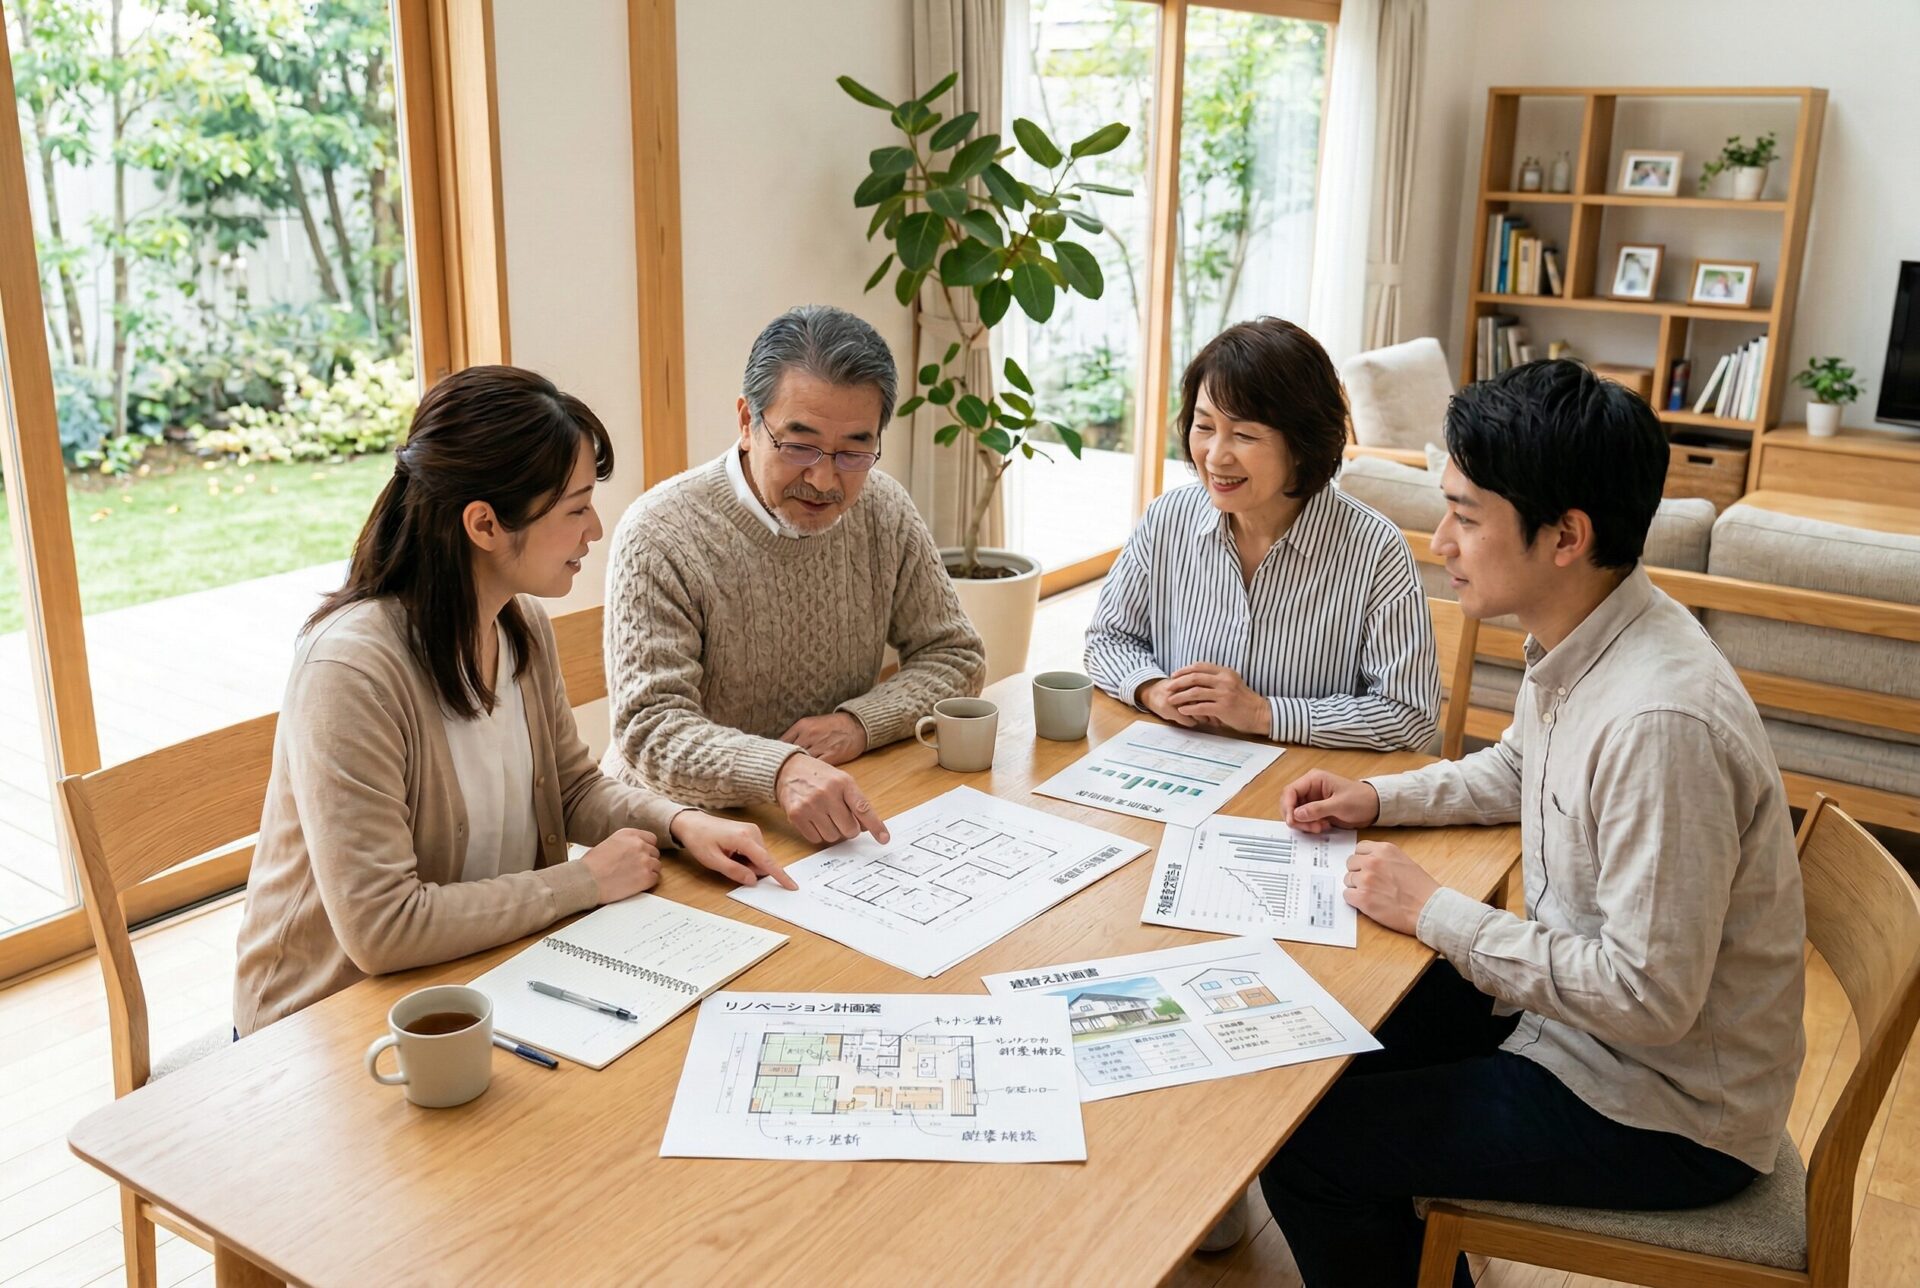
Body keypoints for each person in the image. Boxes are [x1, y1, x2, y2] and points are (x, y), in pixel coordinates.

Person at [1257, 360, 1805, 1285]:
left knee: (1311, 1153)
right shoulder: (1592, 629)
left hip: (1662, 1110)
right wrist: (1380, 797)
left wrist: (1435, 911)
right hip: (1576, 1029)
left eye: (1468, 517)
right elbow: (1519, 767)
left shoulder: (1658, 722)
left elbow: (1649, 999)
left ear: (1566, 535)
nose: (1441, 542)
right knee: (1320, 1045)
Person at [233, 366, 794, 1036]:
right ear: (484, 524)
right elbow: (382, 929)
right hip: (326, 1025)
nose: (595, 530)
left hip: (488, 977)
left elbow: (571, 786)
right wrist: (585, 882)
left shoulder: (516, 622)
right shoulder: (351, 672)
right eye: (575, 507)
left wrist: (681, 826)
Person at [600, 304, 986, 845]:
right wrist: (779, 769)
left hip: (827, 815)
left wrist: (860, 722)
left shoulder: (882, 507)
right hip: (673, 831)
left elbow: (955, 655)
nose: (824, 478)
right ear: (745, 423)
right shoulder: (660, 533)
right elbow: (651, 728)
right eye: (799, 445)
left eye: (855, 450)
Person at [1084, 317, 1439, 751]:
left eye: (1245, 434)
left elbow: (1410, 714)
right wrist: (1151, 688)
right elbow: (1107, 638)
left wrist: (1263, 714)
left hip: (1302, 794)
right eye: (1204, 426)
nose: (1215, 456)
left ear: (1303, 444)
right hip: (1181, 770)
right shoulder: (1167, 519)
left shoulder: (1374, 549)